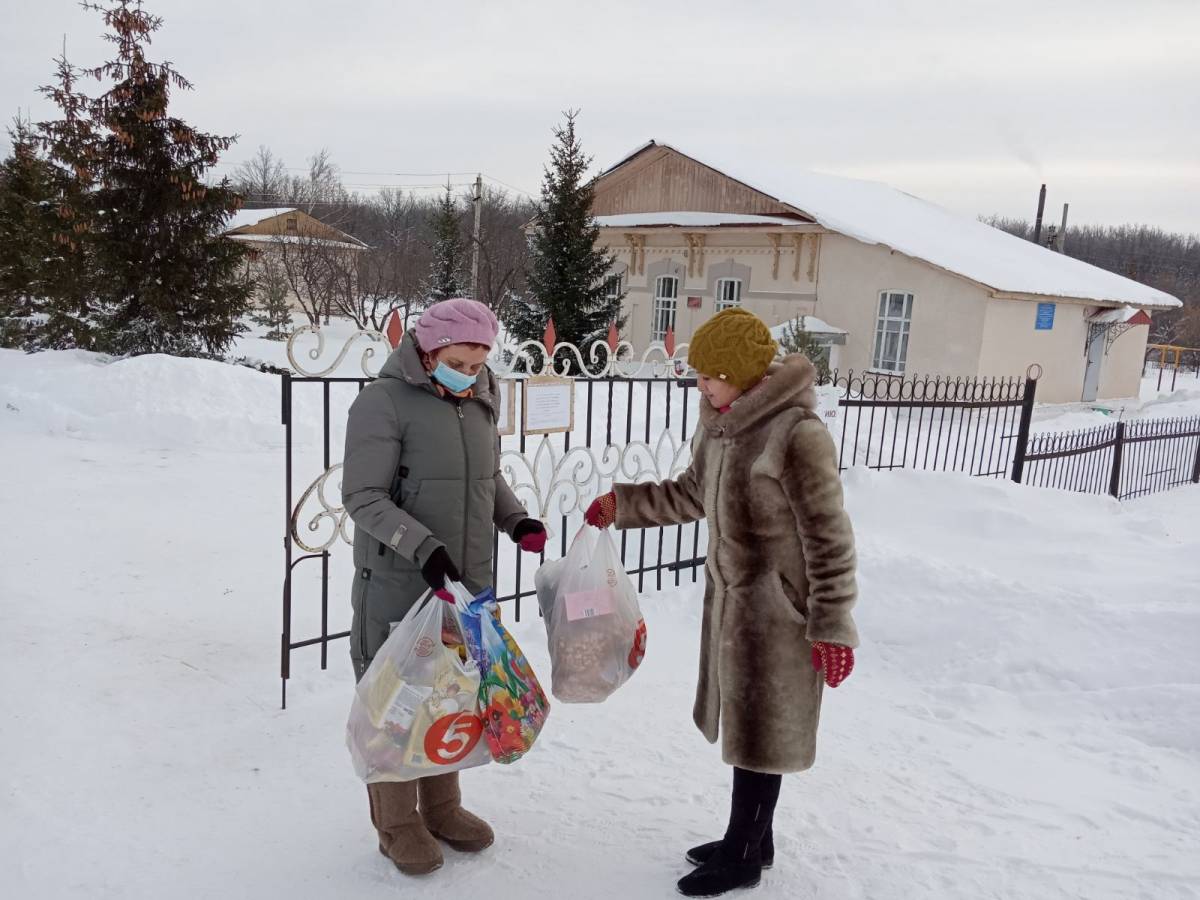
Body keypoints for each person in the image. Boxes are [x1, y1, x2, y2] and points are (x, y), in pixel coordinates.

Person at [585, 307, 859, 898]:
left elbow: (829, 536)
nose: (700, 385)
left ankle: (743, 854)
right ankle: (752, 841)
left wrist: (832, 624)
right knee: (747, 724)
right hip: (733, 608)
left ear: (744, 373)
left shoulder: (796, 434)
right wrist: (623, 505)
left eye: (710, 375)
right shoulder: (721, 424)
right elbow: (690, 492)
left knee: (764, 732)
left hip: (781, 613)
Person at [341, 297, 546, 876]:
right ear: (428, 353)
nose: (474, 366)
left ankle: (443, 807)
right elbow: (361, 496)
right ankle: (397, 823)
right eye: (462, 356)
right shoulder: (382, 403)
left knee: (452, 694)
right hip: (400, 583)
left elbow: (488, 477)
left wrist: (516, 519)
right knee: (398, 704)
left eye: (482, 356)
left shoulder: (480, 397)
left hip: (466, 586)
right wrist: (423, 546)